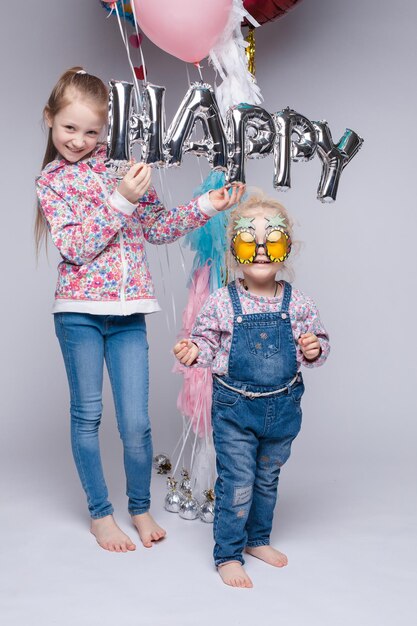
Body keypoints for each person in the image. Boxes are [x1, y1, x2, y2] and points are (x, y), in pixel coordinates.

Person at [35, 67, 244, 553]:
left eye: (92, 131)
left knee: (136, 424)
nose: (79, 140)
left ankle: (139, 506)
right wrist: (119, 201)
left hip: (129, 314)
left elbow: (158, 227)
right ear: (50, 120)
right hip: (79, 313)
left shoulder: (123, 166)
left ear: (106, 130)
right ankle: (99, 513)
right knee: (87, 416)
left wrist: (206, 205)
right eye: (69, 128)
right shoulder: (51, 182)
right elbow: (77, 246)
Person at [173, 191, 330, 587]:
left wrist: (314, 347)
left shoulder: (300, 304)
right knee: (237, 481)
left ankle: (257, 539)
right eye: (249, 239)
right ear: (233, 248)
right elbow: (206, 343)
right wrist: (193, 350)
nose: (260, 249)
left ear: (287, 248)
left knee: (266, 478)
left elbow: (319, 345)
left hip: (283, 410)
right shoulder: (222, 302)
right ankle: (228, 553)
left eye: (272, 239)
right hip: (235, 410)